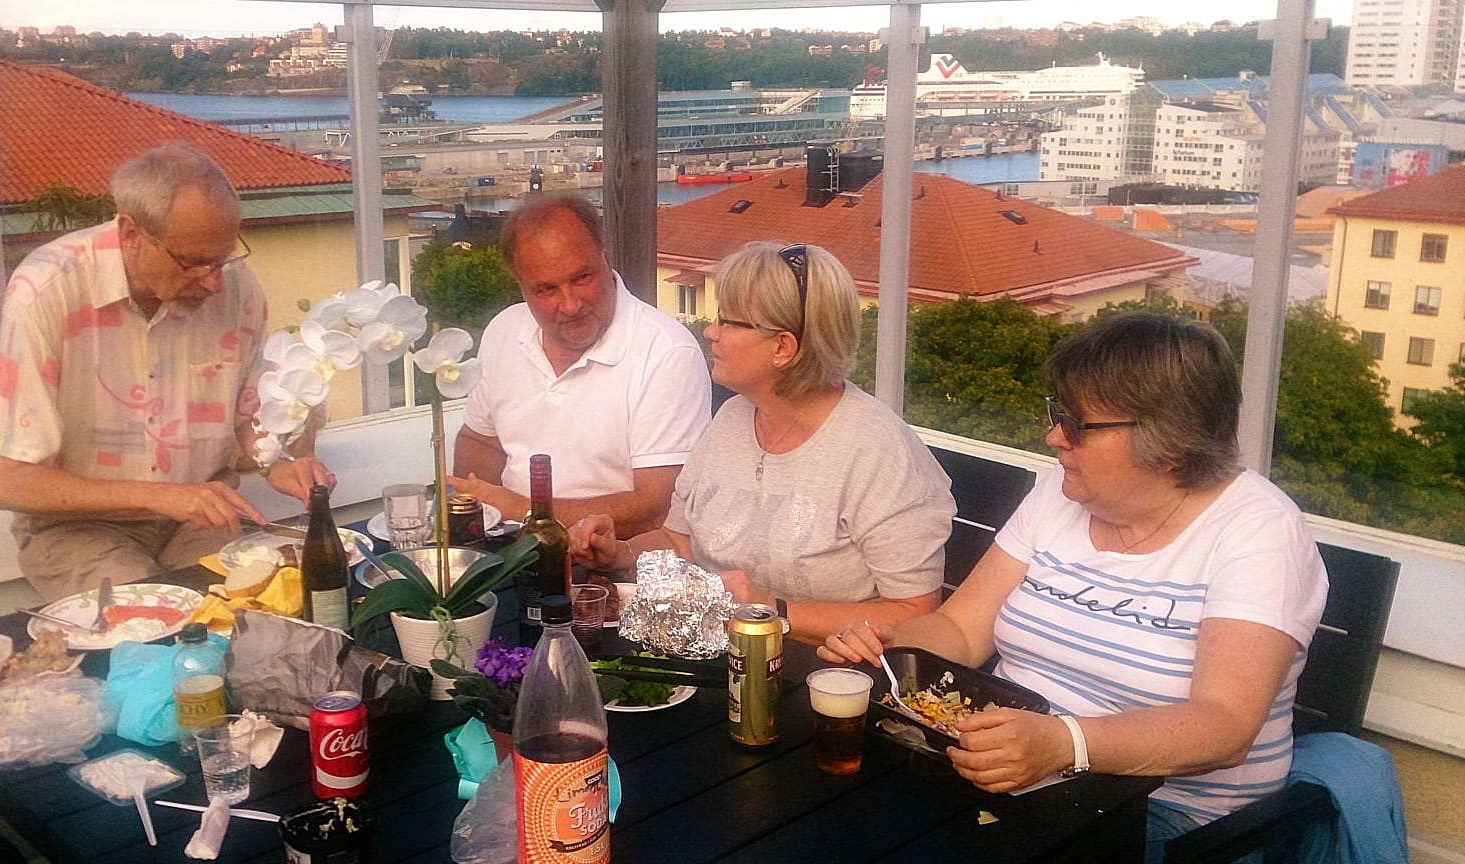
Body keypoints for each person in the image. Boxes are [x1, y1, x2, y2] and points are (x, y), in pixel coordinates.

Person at [819, 313, 1329, 862]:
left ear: (1170, 443)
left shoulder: (1259, 534)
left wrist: (1066, 743)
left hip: (1166, 817)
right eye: (1057, 413)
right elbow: (960, 628)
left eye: (1079, 424)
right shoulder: (1059, 494)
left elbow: (1223, 726)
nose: (1053, 436)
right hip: (1007, 778)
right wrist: (891, 646)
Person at [0, 142, 334, 602]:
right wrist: (159, 495)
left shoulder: (235, 286)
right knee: (153, 624)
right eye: (192, 263)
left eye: (223, 258)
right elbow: (7, 480)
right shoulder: (47, 290)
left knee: (265, 610)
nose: (214, 281)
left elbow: (249, 421)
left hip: (200, 518)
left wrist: (279, 464)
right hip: (78, 529)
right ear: (130, 234)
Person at [570, 241, 956, 644]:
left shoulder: (878, 451)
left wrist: (771, 610)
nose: (710, 332)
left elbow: (915, 613)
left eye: (727, 321)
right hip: (716, 659)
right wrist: (619, 555)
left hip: (822, 678)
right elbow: (679, 541)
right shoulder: (734, 416)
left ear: (783, 347)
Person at [449, 194, 710, 536]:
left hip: (613, 565)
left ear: (606, 258)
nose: (570, 305)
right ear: (521, 287)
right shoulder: (504, 330)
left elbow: (658, 508)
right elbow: (481, 440)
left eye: (582, 278)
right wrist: (476, 527)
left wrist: (520, 509)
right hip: (510, 551)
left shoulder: (666, 352)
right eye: (546, 289)